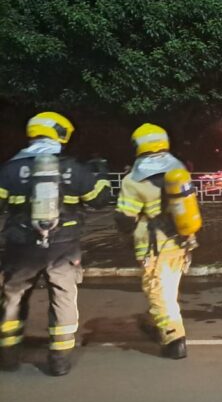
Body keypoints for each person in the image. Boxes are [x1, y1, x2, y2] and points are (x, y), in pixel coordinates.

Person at [0, 112, 110, 375]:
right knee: (63, 297)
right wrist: (101, 173)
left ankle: (8, 356)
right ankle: (59, 359)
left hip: (21, 245)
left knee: (13, 296)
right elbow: (100, 199)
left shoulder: (11, 169)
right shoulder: (72, 168)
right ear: (60, 134)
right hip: (64, 245)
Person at [114, 123, 199, 359]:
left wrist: (125, 235)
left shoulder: (134, 180)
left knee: (157, 290)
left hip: (154, 246)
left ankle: (174, 339)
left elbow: (125, 219)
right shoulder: (178, 169)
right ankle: (153, 322)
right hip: (181, 241)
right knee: (167, 288)